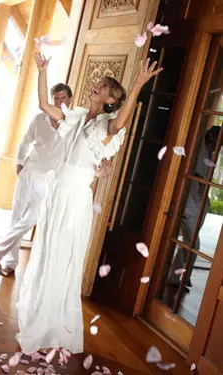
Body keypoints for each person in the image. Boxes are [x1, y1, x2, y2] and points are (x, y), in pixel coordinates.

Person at [16, 53, 163, 355]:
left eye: (103, 85)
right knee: (45, 251)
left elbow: (122, 121)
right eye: (97, 82)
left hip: (75, 199)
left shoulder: (109, 125)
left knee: (62, 256)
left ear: (111, 99)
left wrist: (137, 84)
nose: (95, 85)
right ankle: (38, 316)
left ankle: (55, 325)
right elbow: (45, 106)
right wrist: (43, 70)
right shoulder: (76, 115)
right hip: (56, 192)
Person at [0, 83, 73, 276]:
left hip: (48, 180)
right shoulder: (39, 119)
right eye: (56, 98)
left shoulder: (72, 125)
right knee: (17, 216)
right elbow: (25, 141)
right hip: (29, 171)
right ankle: (10, 264)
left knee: (31, 219)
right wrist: (19, 164)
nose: (59, 102)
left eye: (62, 98)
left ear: (70, 100)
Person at [167, 126, 221, 288]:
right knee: (192, 244)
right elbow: (196, 174)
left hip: (198, 203)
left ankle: (179, 277)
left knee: (189, 241)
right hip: (189, 203)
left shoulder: (211, 153)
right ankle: (179, 277)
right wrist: (202, 186)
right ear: (211, 137)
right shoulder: (197, 148)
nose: (219, 146)